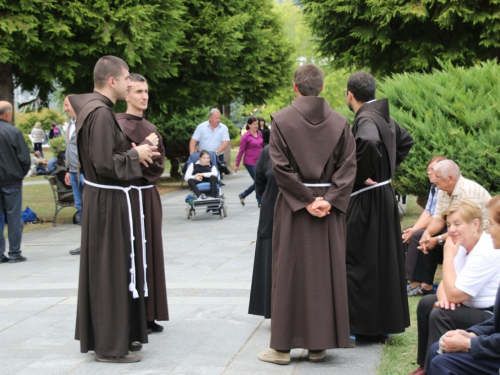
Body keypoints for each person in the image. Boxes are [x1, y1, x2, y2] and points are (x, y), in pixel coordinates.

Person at [258, 63, 357, 365]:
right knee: (324, 272)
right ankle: (318, 346)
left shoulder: (281, 121)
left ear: (295, 87)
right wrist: (328, 199)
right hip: (329, 210)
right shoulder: (342, 123)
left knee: (289, 271)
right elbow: (349, 166)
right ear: (322, 87)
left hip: (293, 209)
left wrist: (305, 200)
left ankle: (282, 349)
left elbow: (280, 167)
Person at [69, 55, 159, 363]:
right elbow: (105, 163)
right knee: (110, 271)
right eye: (125, 80)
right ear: (112, 81)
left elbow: (105, 154)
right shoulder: (101, 114)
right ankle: (110, 346)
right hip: (107, 201)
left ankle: (118, 336)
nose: (129, 84)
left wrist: (134, 151)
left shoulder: (96, 111)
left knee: (113, 269)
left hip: (103, 200)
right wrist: (137, 155)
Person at [345, 71, 414, 345]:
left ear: (350, 94)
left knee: (357, 258)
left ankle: (355, 326)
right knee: (381, 260)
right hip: (383, 195)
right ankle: (382, 326)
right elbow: (406, 141)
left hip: (366, 199)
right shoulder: (384, 117)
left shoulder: (366, 118)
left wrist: (361, 173)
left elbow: (370, 142)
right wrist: (386, 170)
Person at [409, 200, 500, 375]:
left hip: (489, 313)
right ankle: (425, 365)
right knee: (428, 304)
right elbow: (446, 283)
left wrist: (448, 257)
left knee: (441, 314)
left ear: (475, 224)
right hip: (471, 307)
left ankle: (437, 364)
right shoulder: (463, 244)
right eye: (449, 224)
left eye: (457, 224)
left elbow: (455, 294)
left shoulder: (485, 251)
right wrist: (444, 300)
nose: (451, 230)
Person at [116, 73, 169, 334]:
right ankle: (134, 313)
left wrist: (142, 156)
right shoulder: (117, 125)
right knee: (132, 252)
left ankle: (150, 313)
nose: (144, 96)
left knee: (151, 253)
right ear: (126, 95)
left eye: (146, 91)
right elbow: (121, 164)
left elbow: (158, 166)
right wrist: (140, 155)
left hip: (148, 196)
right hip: (129, 198)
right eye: (138, 91)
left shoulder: (151, 128)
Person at [417, 159, 491, 295]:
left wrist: (438, 239)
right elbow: (438, 219)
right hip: (459, 231)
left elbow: (465, 229)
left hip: (479, 236)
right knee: (424, 239)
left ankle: (455, 285)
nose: (434, 180)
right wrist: (427, 234)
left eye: (437, 176)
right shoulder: (442, 191)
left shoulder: (468, 191)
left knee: (443, 243)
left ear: (450, 178)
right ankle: (425, 285)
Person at [405, 155, 447, 296]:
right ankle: (404, 278)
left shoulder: (445, 188)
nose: (429, 172)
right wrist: (414, 227)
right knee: (405, 233)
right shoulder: (434, 188)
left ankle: (415, 283)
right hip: (435, 222)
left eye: (432, 169)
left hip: (443, 225)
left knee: (417, 236)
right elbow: (427, 212)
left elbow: (438, 217)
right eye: (428, 169)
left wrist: (416, 230)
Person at [248, 143, 279, 319]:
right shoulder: (268, 151)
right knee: (269, 256)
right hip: (271, 207)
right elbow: (259, 182)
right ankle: (270, 307)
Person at [0, 101, 31, 264]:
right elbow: (25, 159)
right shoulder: (13, 132)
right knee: (13, 217)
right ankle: (14, 252)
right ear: (7, 114)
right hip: (12, 180)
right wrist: (20, 174)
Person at [64, 95, 84, 254]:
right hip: (73, 172)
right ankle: (85, 243)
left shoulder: (84, 123)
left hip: (84, 173)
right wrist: (67, 169)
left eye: (66, 105)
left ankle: (93, 243)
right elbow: (69, 148)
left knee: (90, 208)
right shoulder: (70, 125)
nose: (65, 108)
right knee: (80, 208)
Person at [189, 108, 230, 176]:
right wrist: (192, 155)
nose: (218, 120)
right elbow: (193, 141)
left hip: (217, 156)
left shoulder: (223, 128)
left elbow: (225, 142)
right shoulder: (201, 127)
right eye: (216, 118)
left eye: (219, 118)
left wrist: (216, 152)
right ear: (210, 118)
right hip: (203, 157)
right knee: (203, 174)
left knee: (217, 176)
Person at [234, 116, 263, 206]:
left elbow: (261, 146)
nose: (256, 126)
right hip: (250, 162)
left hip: (260, 161)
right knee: (258, 181)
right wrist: (236, 164)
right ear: (249, 125)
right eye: (254, 124)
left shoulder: (259, 134)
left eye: (256, 124)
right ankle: (260, 201)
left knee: (259, 181)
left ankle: (243, 195)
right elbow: (241, 151)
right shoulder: (245, 136)